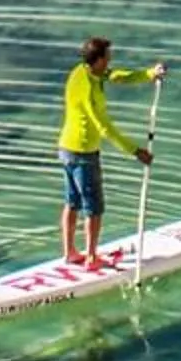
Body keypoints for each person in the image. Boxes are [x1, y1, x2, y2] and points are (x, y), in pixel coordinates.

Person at [58, 36, 165, 270]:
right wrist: (135, 151)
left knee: (72, 202)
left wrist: (149, 74)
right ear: (96, 60)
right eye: (107, 57)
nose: (110, 61)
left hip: (65, 148)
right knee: (93, 207)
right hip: (83, 153)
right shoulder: (86, 89)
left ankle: (70, 253)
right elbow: (104, 127)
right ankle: (91, 258)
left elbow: (116, 76)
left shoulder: (85, 71)